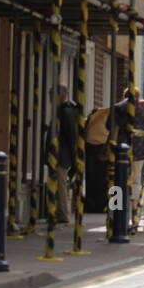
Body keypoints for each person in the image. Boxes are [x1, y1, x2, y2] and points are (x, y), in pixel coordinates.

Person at [114, 86, 144, 230]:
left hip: (122, 150)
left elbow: (112, 127)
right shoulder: (143, 110)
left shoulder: (119, 107)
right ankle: (135, 217)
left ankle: (115, 215)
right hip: (139, 151)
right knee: (136, 182)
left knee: (117, 182)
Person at [54, 85, 80, 224]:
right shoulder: (62, 111)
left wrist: (73, 157)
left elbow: (71, 136)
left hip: (61, 155)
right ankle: (59, 212)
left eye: (53, 94)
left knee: (61, 184)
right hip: (60, 154)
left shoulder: (65, 112)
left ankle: (63, 213)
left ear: (62, 95)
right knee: (59, 183)